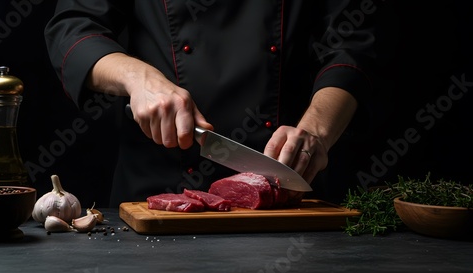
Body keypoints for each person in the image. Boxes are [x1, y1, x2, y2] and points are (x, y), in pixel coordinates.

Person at [45, 0, 389, 207]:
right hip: (159, 189)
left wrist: (316, 132)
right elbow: (73, 28)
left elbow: (351, 47)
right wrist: (140, 80)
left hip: (289, 188)